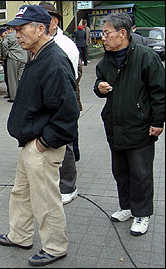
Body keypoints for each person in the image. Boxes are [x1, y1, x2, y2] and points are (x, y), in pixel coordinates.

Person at [0, 5, 80, 267]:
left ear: (40, 29)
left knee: (44, 198)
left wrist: (43, 143)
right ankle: (19, 235)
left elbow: (68, 113)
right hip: (29, 142)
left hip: (42, 145)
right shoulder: (36, 55)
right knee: (20, 192)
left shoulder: (53, 61)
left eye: (22, 29)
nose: (16, 34)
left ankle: (55, 247)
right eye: (15, 29)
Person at [94, 13, 165, 236]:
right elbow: (98, 81)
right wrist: (99, 87)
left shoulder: (146, 57)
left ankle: (142, 213)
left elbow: (159, 93)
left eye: (106, 33)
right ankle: (126, 207)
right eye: (102, 34)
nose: (102, 38)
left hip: (141, 127)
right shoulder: (106, 59)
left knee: (141, 173)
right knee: (121, 171)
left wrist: (157, 121)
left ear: (123, 33)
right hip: (115, 127)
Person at [40, 1, 81, 204]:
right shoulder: (43, 42)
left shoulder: (64, 45)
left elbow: (72, 76)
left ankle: (68, 185)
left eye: (42, 20)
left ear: (54, 22)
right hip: (48, 99)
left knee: (65, 143)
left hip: (61, 98)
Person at [2, 26, 27, 103]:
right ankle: (24, 95)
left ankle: (14, 97)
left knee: (12, 78)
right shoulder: (23, 34)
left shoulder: (10, 36)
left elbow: (4, 43)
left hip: (13, 58)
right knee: (21, 78)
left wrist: (6, 54)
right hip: (23, 57)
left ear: (11, 29)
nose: (7, 32)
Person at [0, 27, 10, 99]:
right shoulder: (5, 40)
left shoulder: (6, 40)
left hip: (7, 60)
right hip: (5, 60)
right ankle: (9, 92)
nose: (0, 36)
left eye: (1, 34)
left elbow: (5, 50)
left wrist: (4, 58)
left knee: (8, 77)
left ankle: (10, 92)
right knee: (7, 77)